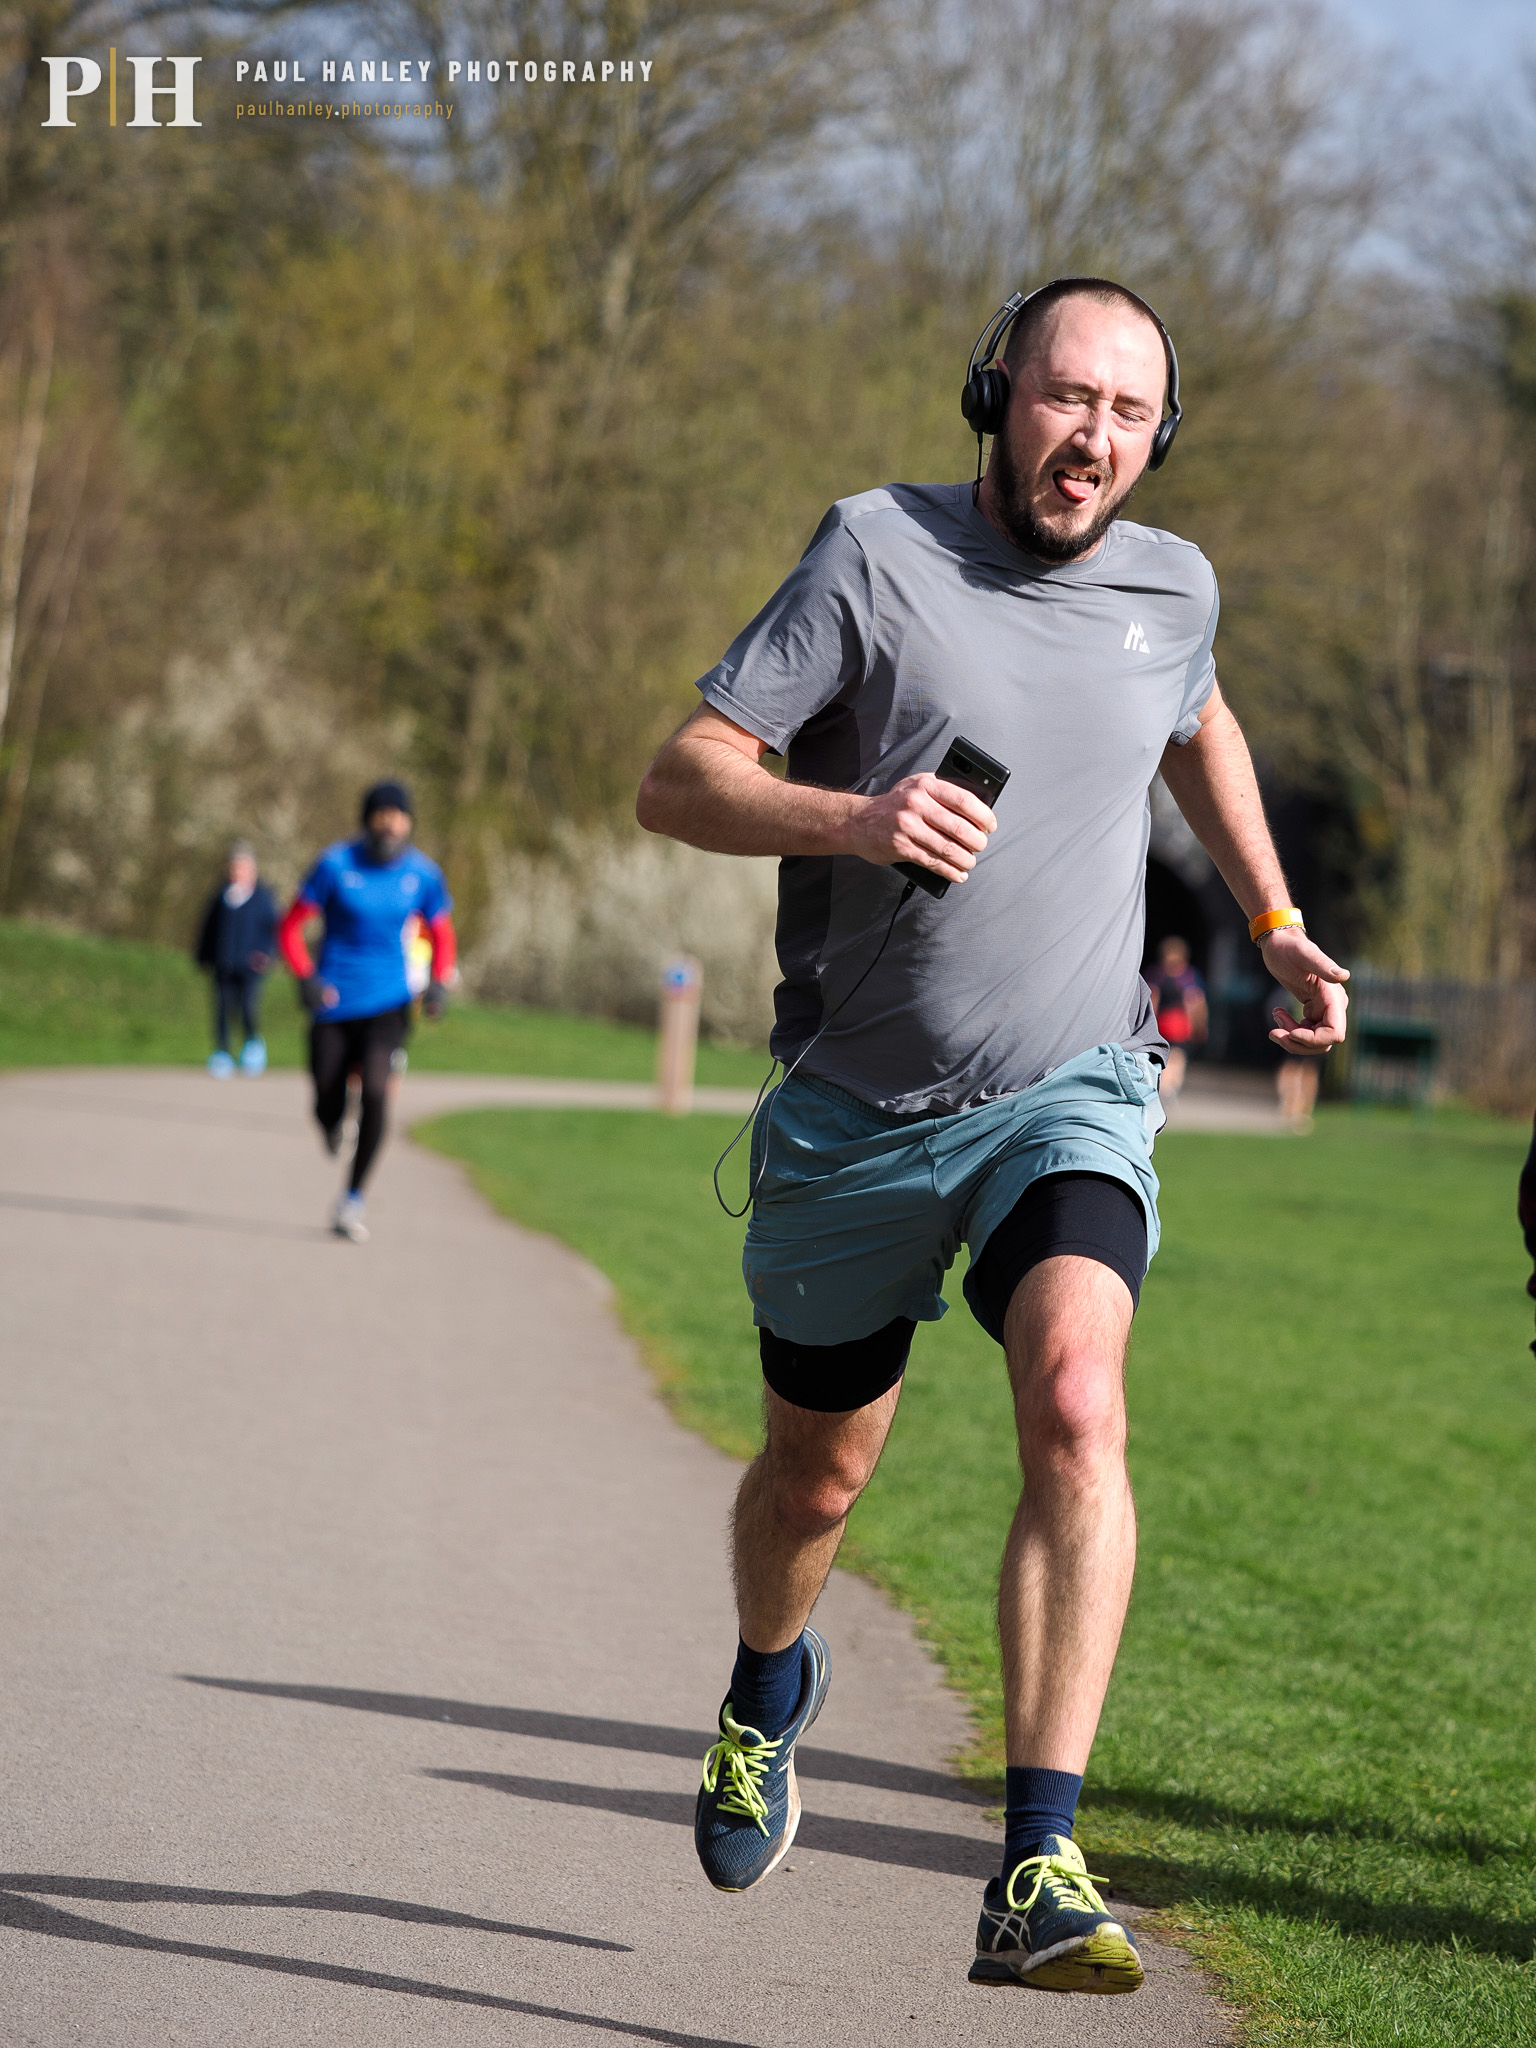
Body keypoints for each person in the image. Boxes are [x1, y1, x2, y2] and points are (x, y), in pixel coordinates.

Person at [635, 277, 1348, 1995]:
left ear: (1154, 436)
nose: (1088, 434)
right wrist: (855, 813)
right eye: (1060, 396)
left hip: (1072, 1086)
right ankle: (764, 1685)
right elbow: (681, 773)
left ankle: (1036, 1853)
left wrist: (1265, 913)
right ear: (993, 397)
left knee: (1079, 1394)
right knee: (819, 1472)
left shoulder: (1172, 586)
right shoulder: (872, 553)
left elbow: (1197, 713)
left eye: (1124, 410)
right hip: (855, 1114)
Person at [278, 780, 456, 1242]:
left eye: (400, 815)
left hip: (389, 1002)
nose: (391, 823)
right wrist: (305, 977)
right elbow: (291, 927)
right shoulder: (335, 864)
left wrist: (438, 982)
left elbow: (441, 933)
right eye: (382, 814)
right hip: (334, 999)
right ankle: (333, 1125)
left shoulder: (423, 875)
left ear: (410, 823)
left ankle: (352, 1199)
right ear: (367, 819)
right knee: (325, 1096)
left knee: (377, 1091)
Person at [193, 840, 277, 1078]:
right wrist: (203, 956)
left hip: (250, 967)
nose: (237, 872)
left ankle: (252, 1047)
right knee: (221, 1010)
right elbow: (208, 930)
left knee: (248, 1008)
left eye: (242, 867)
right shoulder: (221, 897)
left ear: (252, 870)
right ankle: (222, 1053)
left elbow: (273, 931)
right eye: (234, 867)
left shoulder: (263, 897)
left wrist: (267, 955)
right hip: (224, 965)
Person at [1147, 934, 1207, 1102]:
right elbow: (1195, 1002)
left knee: (1166, 1055)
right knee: (1177, 1057)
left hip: (1162, 1022)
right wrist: (1200, 1025)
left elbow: (1152, 1000)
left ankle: (1166, 1087)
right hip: (1179, 1023)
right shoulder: (1189, 976)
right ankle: (1169, 1087)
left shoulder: (1155, 974)